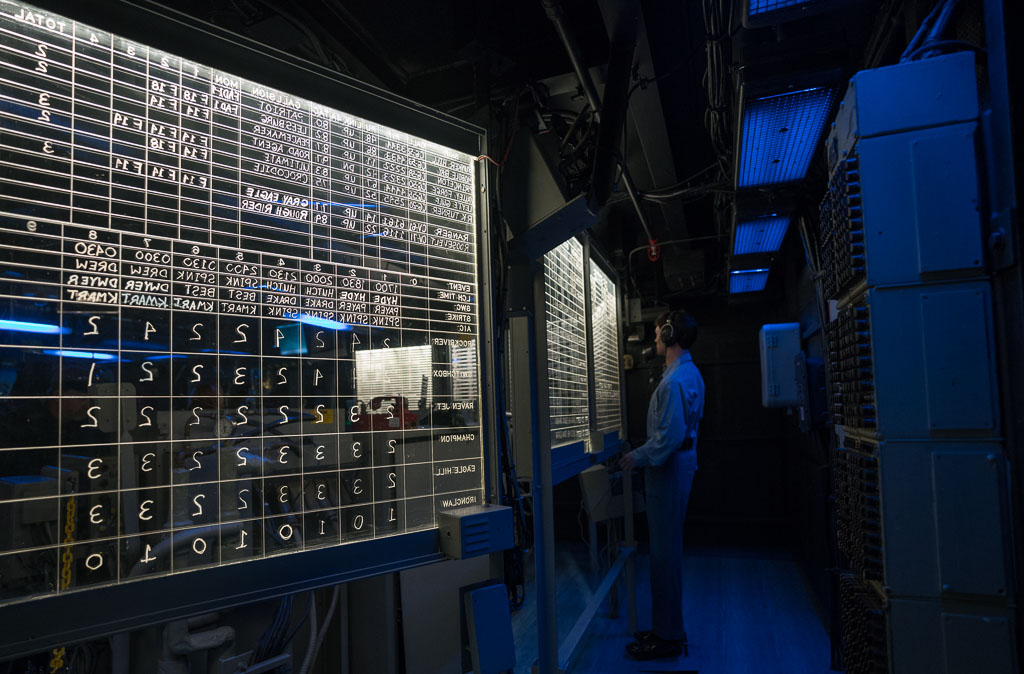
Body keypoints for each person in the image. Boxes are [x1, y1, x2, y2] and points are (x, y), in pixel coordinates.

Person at [619, 309, 705, 660]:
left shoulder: (673, 382)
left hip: (667, 471)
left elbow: (668, 438)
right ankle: (666, 629)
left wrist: (634, 457)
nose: (654, 339)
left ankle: (666, 637)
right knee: (666, 554)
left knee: (664, 557)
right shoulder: (688, 373)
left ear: (669, 336)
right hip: (678, 468)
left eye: (657, 333)